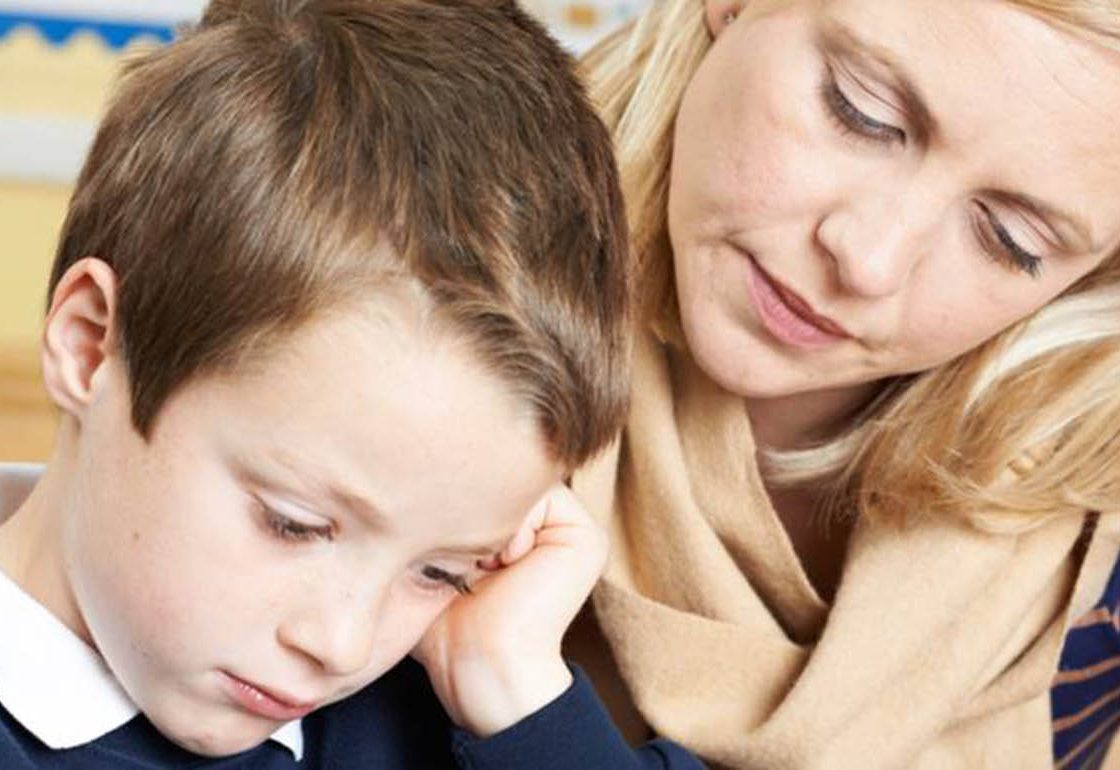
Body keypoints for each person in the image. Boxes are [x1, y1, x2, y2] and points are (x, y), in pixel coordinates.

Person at [0, 1, 706, 767]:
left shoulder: (467, 722)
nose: (343, 644)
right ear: (90, 346)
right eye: (294, 525)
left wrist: (512, 683)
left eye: (441, 572)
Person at [563, 1, 1120, 768]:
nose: (869, 261)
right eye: (861, 112)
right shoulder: (390, 269)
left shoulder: (1094, 582)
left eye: (1009, 241)